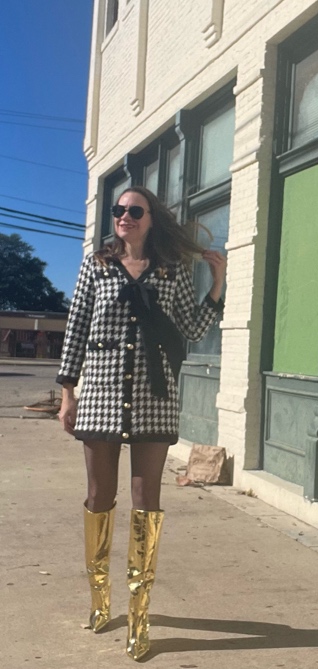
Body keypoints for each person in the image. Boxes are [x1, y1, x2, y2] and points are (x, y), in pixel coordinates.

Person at [57, 186, 226, 661]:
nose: (125, 216)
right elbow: (76, 329)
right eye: (119, 210)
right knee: (98, 497)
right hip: (102, 397)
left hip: (154, 397)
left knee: (146, 501)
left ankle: (139, 615)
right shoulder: (97, 267)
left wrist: (217, 283)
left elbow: (191, 330)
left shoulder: (171, 271)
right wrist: (68, 394)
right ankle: (99, 599)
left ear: (151, 219)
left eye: (135, 210)